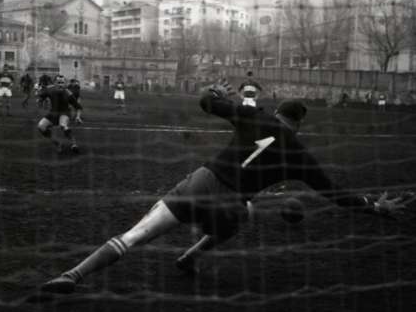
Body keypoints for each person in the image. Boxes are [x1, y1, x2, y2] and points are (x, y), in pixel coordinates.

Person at [40, 79, 406, 294]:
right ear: (298, 125)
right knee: (246, 213)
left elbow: (206, 103)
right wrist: (374, 206)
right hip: (231, 204)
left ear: (277, 113)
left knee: (134, 236)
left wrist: (212, 92)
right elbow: (334, 193)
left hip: (201, 183)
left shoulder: (255, 116)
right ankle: (191, 257)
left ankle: (74, 274)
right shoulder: (300, 154)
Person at [37, 74, 81, 154]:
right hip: (53, 113)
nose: (60, 85)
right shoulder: (49, 89)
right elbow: (41, 96)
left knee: (63, 125)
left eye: (62, 83)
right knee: (41, 126)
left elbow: (78, 107)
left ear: (65, 84)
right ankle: (58, 143)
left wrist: (78, 117)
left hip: (65, 113)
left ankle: (74, 144)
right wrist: (40, 100)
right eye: (58, 82)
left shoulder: (68, 93)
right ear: (54, 83)